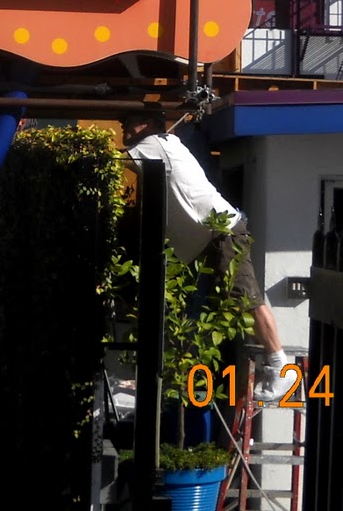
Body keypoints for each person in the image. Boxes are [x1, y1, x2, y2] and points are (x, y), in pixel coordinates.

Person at [121, 110, 297, 404]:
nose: (123, 127)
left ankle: (281, 366)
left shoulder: (156, 143)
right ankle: (155, 372)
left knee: (245, 298)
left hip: (221, 232)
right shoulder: (164, 144)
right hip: (204, 239)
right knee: (182, 305)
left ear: (148, 124)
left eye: (127, 121)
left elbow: (118, 160)